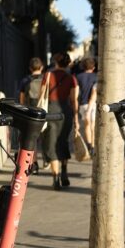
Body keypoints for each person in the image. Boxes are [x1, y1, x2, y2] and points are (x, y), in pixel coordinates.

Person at [40, 52, 79, 190]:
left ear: (55, 62)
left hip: (51, 111)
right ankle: (64, 172)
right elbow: (74, 100)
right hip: (66, 112)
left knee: (52, 145)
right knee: (63, 142)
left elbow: (41, 95)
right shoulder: (71, 78)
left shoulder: (48, 75)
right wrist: (76, 119)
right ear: (68, 63)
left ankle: (56, 178)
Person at [75, 57, 98, 154]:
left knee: (87, 126)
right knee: (93, 125)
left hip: (83, 104)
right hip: (94, 104)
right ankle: (93, 145)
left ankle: (89, 146)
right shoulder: (96, 77)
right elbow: (95, 93)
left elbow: (76, 94)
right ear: (93, 67)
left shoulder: (78, 77)